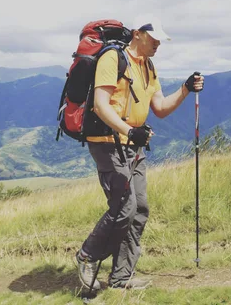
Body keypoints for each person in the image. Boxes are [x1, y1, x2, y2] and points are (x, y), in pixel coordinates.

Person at [76, 16, 204, 291]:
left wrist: (184, 88)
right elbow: (100, 105)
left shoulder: (148, 66)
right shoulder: (113, 58)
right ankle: (87, 256)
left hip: (134, 143)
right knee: (124, 207)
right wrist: (127, 130)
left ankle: (121, 277)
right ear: (137, 35)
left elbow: (159, 108)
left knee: (139, 209)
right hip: (108, 142)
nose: (158, 43)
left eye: (160, 40)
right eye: (154, 38)